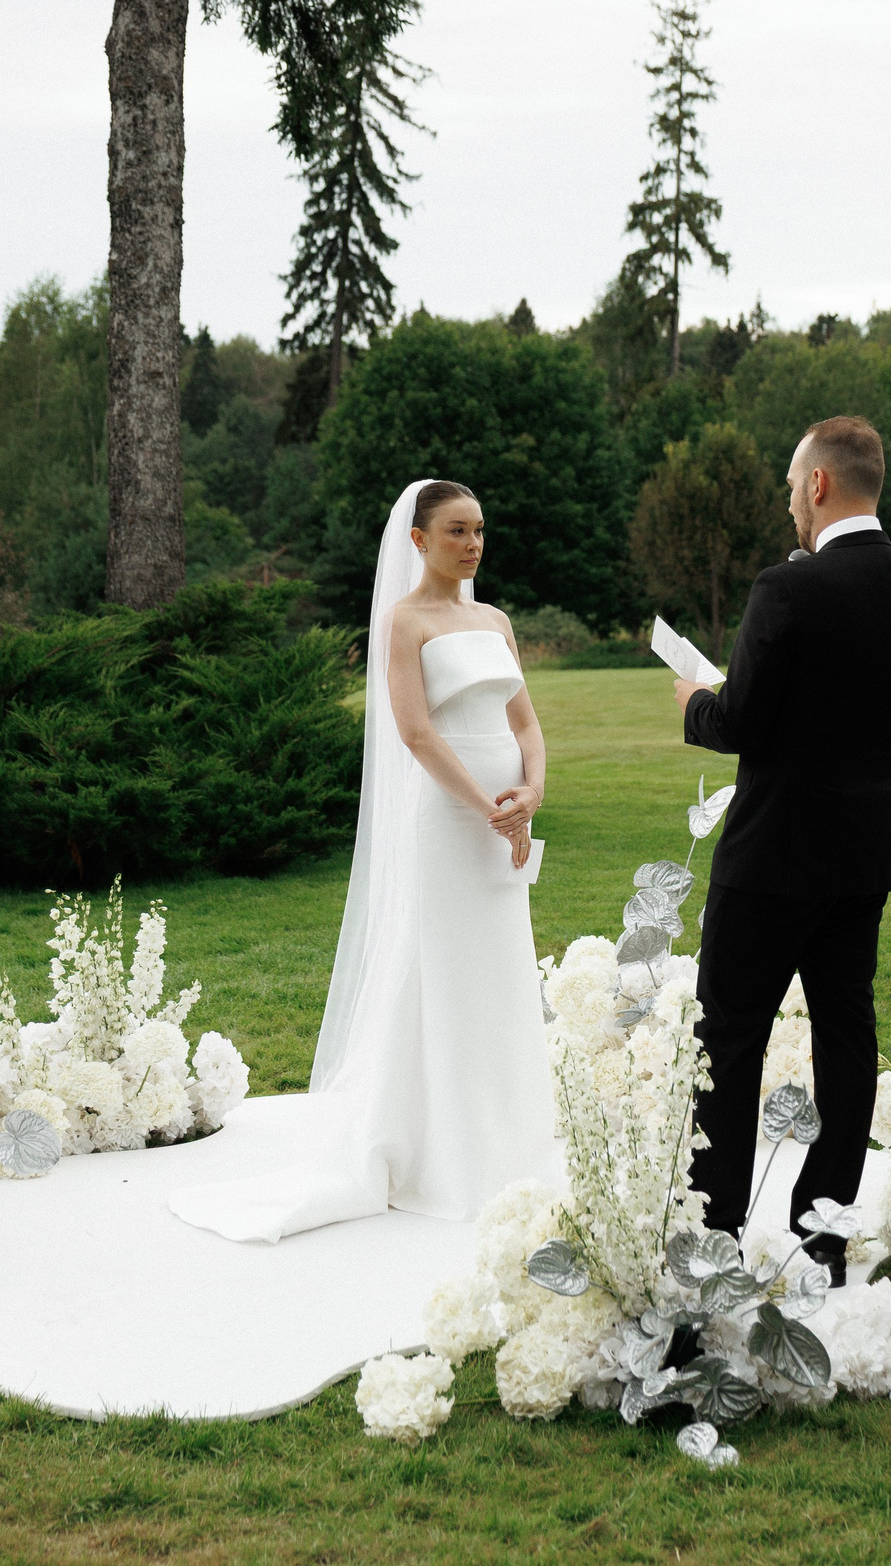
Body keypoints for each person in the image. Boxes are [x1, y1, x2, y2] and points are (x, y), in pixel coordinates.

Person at [168, 478, 560, 1242]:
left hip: (506, 814)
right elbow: (414, 733)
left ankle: (503, 1138)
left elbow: (526, 721)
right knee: (438, 966)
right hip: (450, 818)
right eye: (456, 530)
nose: (473, 543)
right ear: (419, 539)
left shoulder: (496, 619)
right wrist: (487, 809)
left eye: (480, 529)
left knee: (498, 966)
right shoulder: (403, 622)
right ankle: (436, 1149)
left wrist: (531, 791)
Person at [671, 416, 891, 1285]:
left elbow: (741, 721)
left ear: (820, 485)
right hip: (862, 858)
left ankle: (710, 1234)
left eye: (793, 486)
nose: (789, 502)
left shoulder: (784, 591)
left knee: (729, 1042)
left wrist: (694, 699)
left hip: (771, 859)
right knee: (845, 1035)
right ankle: (821, 1233)